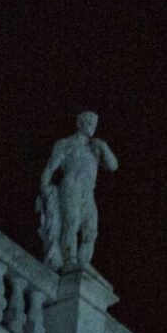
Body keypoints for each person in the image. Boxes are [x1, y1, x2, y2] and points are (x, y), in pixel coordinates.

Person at [39, 113, 118, 270]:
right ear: (79, 123)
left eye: (94, 123)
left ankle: (82, 265)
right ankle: (69, 261)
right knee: (72, 222)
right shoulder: (66, 144)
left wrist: (103, 146)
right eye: (88, 121)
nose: (92, 125)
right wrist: (45, 188)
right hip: (71, 185)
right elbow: (50, 168)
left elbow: (113, 165)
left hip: (88, 191)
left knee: (91, 229)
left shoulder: (95, 148)